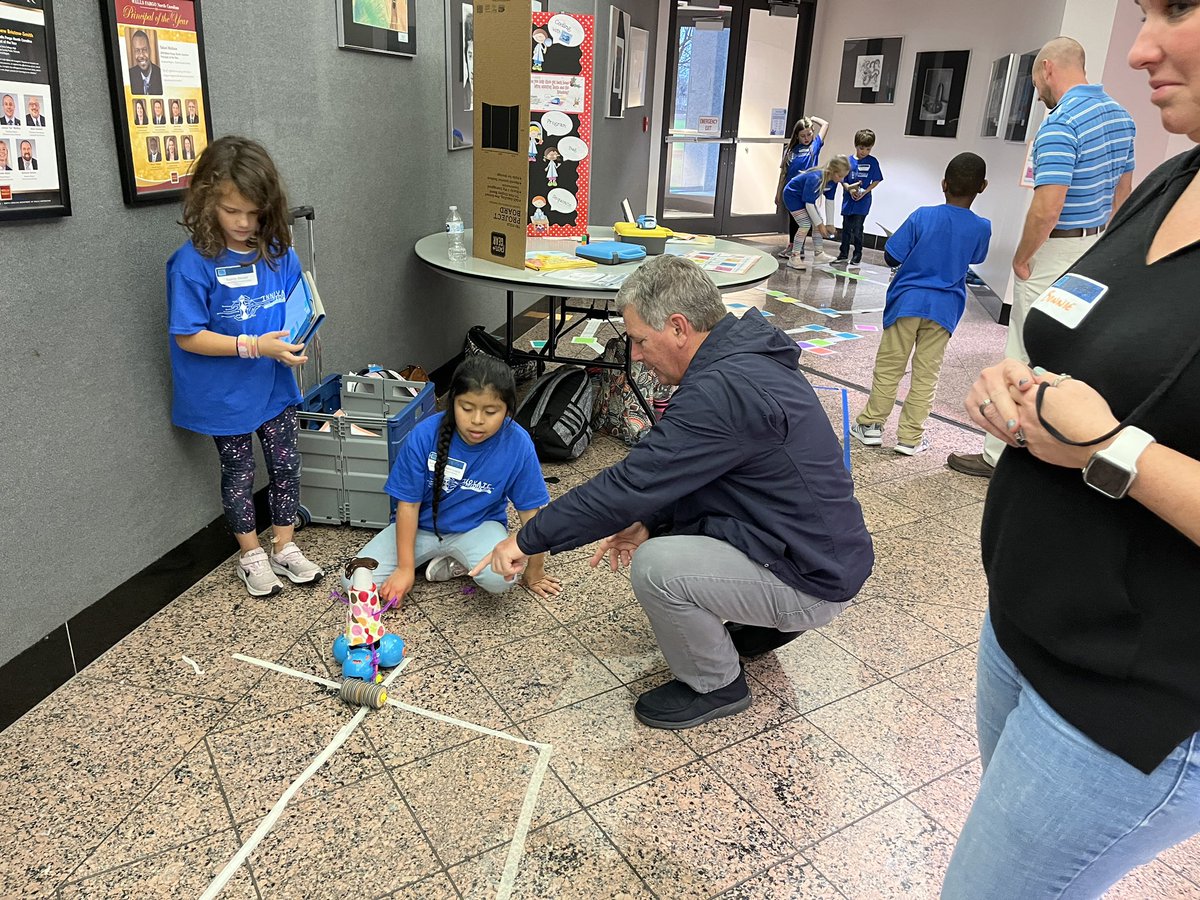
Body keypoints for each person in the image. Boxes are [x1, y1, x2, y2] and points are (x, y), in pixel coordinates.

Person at [940, 3, 1200, 895]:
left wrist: (1107, 449)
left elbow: (1113, 433)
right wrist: (1021, 389)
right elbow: (1108, 348)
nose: (1140, 47)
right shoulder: (1173, 175)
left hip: (1135, 695)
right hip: (1027, 624)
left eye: (1178, 7)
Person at [473, 255, 874, 730]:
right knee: (662, 535)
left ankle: (716, 684)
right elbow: (700, 473)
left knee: (658, 567)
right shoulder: (743, 357)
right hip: (818, 551)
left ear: (679, 327)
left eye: (640, 340)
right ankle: (760, 626)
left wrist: (526, 539)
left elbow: (630, 484)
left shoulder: (724, 390)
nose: (636, 355)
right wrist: (651, 520)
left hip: (813, 576)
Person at [948, 36, 1136, 479]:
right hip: (1096, 246)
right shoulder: (1120, 116)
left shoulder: (1060, 124)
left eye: (1035, 81)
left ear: (1048, 68)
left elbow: (1048, 207)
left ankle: (1000, 454)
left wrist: (1022, 258)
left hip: (1055, 249)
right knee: (1071, 350)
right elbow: (1123, 195)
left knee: (1023, 350)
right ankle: (1060, 445)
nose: (1036, 93)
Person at [167, 135, 324, 598]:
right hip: (224, 393)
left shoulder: (277, 250)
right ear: (206, 201)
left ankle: (285, 545)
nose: (243, 223)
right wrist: (254, 345)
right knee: (238, 472)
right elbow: (187, 335)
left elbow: (296, 301)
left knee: (286, 464)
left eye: (254, 213)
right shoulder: (191, 264)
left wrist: (296, 339)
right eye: (231, 210)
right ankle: (250, 554)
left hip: (273, 382)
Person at [346, 355, 560, 606]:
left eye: (491, 411)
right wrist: (404, 568)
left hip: (479, 527)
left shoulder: (518, 443)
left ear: (508, 411)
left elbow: (530, 511)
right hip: (420, 528)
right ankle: (441, 561)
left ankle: (453, 561)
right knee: (354, 581)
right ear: (452, 403)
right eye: (466, 408)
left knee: (502, 578)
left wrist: (535, 569)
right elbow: (408, 506)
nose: (477, 420)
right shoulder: (424, 435)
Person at [850, 152, 992, 456]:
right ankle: (911, 437)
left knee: (890, 366)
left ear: (944, 184)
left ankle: (871, 425)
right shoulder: (982, 227)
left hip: (907, 302)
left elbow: (892, 256)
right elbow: (976, 257)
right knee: (927, 373)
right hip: (945, 309)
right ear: (982, 187)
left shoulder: (923, 216)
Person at [774, 115, 830, 261]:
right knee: (794, 220)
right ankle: (793, 245)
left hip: (807, 191)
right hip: (792, 192)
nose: (806, 138)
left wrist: (813, 118)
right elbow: (783, 173)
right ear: (797, 136)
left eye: (809, 134)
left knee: (806, 221)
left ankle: (800, 249)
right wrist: (778, 192)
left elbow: (825, 124)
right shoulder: (790, 151)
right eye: (802, 136)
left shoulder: (814, 147)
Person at [781, 155, 850, 271]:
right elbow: (809, 204)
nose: (841, 179)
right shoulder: (815, 178)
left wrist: (830, 224)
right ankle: (794, 257)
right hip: (792, 196)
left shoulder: (833, 181)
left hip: (804, 198)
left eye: (844, 176)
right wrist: (820, 224)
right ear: (831, 171)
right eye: (840, 176)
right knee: (805, 224)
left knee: (817, 221)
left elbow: (830, 201)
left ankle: (819, 254)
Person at [834, 129, 884, 266]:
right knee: (846, 228)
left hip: (863, 201)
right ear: (856, 145)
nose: (864, 152)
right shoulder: (848, 161)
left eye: (868, 149)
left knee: (857, 228)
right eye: (862, 148)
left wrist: (865, 191)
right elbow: (842, 180)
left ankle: (857, 254)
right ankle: (843, 254)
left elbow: (876, 180)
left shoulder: (873, 162)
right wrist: (849, 189)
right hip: (848, 200)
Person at [128, 29, 163, 95]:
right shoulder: (129, 76)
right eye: (137, 50)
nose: (141, 55)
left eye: (144, 49)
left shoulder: (161, 75)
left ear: (150, 50)